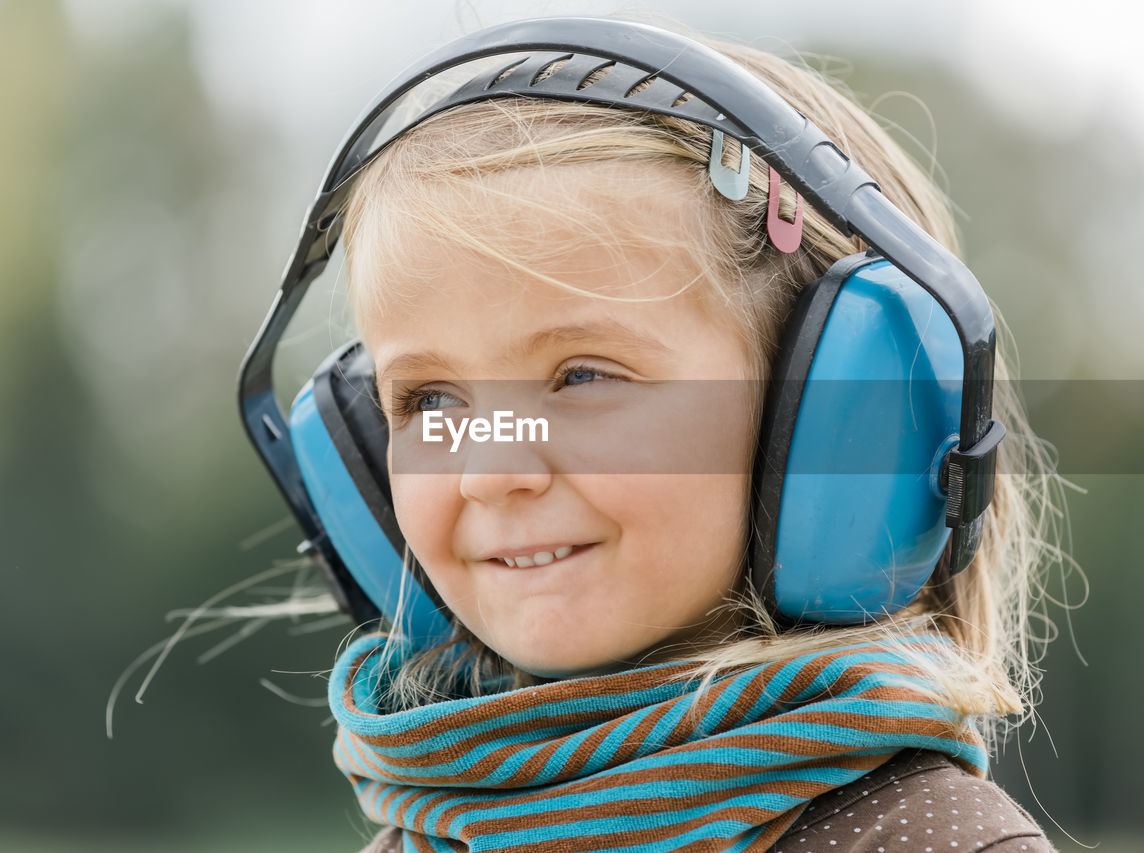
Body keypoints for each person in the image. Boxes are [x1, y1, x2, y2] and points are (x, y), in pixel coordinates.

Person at [258, 16, 1065, 853]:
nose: (491, 472)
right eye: (429, 400)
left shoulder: (924, 841)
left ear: (841, 422)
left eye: (582, 376)